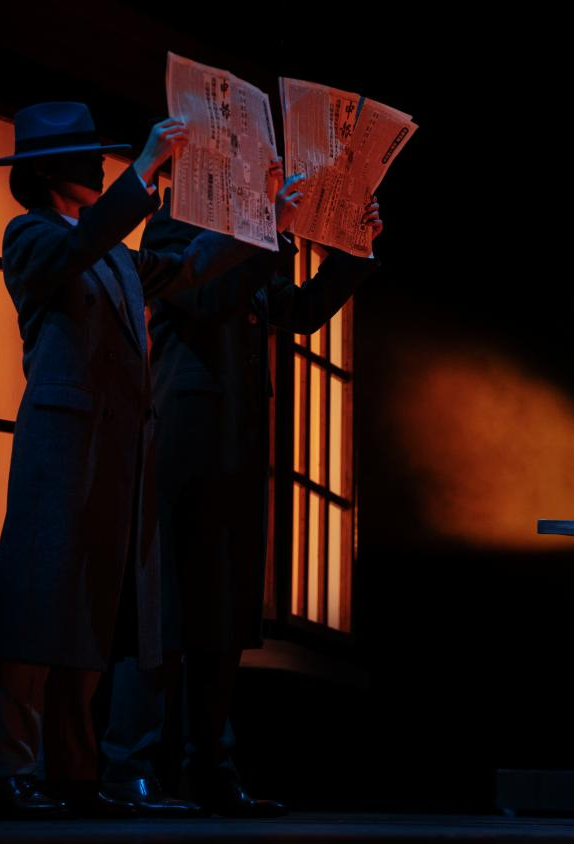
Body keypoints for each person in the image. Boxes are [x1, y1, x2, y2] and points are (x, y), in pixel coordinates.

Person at [0, 101, 299, 818]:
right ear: (48, 173)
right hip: (62, 438)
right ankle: (8, 770)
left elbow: (188, 272)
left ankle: (74, 773)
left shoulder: (116, 256)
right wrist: (147, 170)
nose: (101, 165)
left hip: (120, 448)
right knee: (34, 601)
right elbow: (77, 250)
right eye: (86, 156)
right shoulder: (31, 234)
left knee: (94, 613)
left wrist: (265, 223)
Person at [98, 178, 382, 816]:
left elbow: (297, 310)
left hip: (238, 436)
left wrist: (352, 249)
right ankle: (129, 764)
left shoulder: (248, 235)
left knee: (224, 603)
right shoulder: (181, 219)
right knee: (167, 602)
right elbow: (205, 295)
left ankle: (210, 766)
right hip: (185, 430)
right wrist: (269, 231)